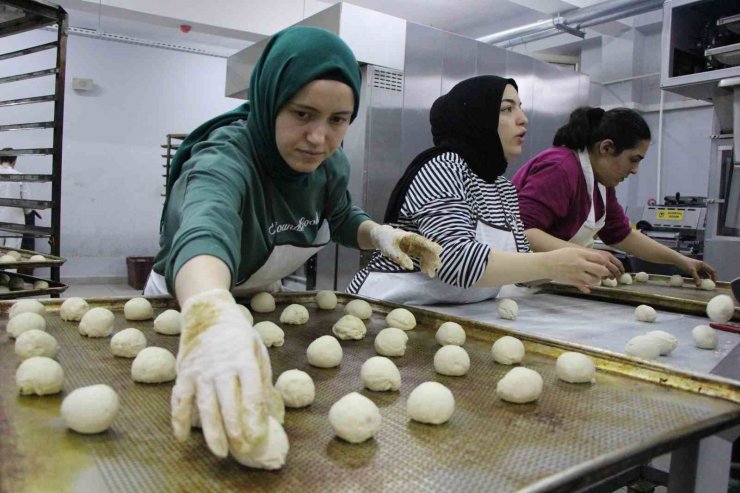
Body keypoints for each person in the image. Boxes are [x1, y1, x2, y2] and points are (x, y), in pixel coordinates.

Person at [145, 26, 441, 467]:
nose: (319, 138)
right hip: (190, 315)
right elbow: (205, 230)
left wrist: (380, 234)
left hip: (265, 311)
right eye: (303, 114)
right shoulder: (224, 158)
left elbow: (340, 218)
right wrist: (210, 315)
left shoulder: (328, 163)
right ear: (270, 101)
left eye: (338, 120)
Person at [347, 76, 612, 305]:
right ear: (476, 118)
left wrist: (578, 266)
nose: (523, 119)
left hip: (450, 315)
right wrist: (550, 263)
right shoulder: (443, 166)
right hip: (391, 309)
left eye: (520, 108)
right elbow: (451, 261)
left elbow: (520, 263)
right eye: (507, 109)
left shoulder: (502, 188)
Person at [512, 107, 716, 284]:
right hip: (518, 283)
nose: (635, 170)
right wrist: (588, 255)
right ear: (606, 148)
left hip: (549, 284)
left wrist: (681, 261)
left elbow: (622, 234)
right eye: (633, 159)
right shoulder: (560, 168)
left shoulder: (599, 183)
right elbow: (524, 231)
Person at [0, 148, 28, 250]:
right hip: (14, 221)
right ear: (14, 160)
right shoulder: (20, 176)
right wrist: (28, 212)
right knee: (11, 256)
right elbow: (27, 203)